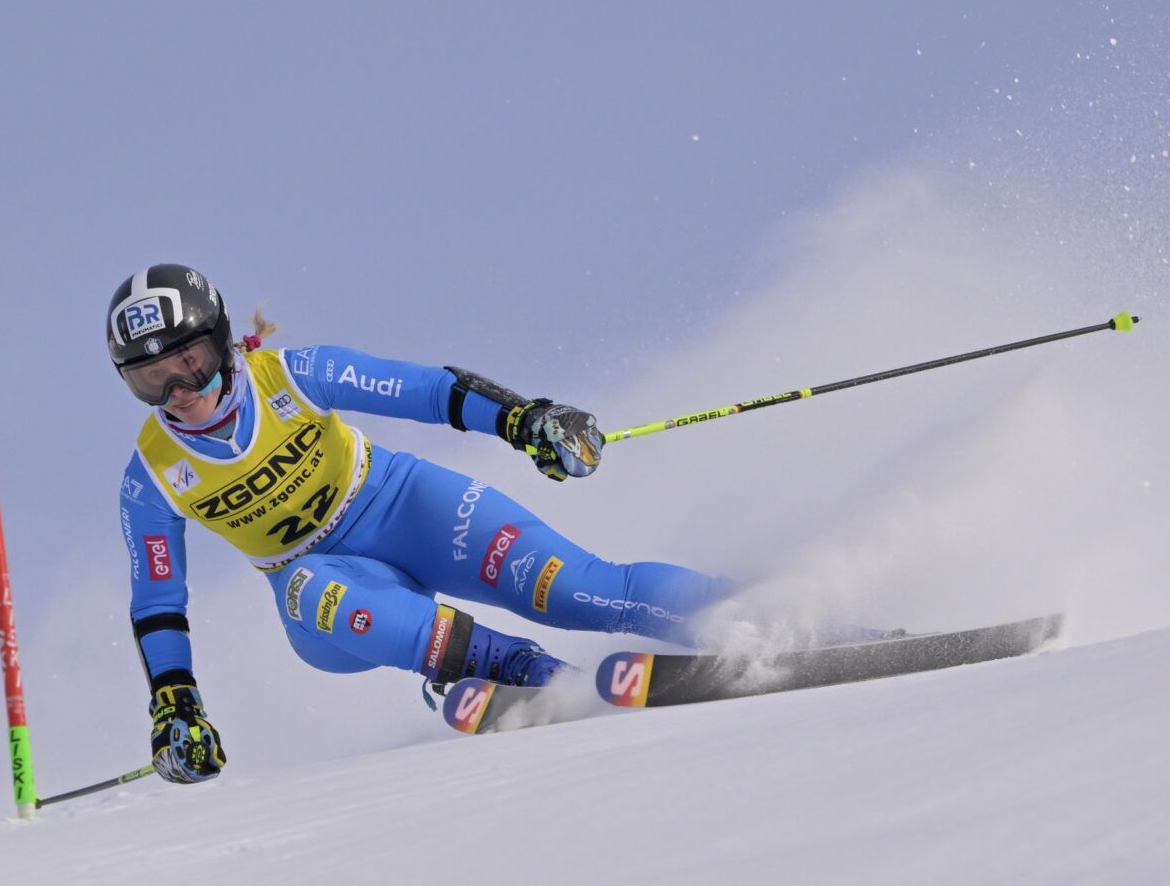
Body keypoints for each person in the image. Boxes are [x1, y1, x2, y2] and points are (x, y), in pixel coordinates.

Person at [110, 263, 731, 784]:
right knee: (313, 589)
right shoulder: (151, 478)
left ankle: (739, 615)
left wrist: (526, 421)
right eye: (150, 380)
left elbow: (430, 392)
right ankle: (522, 672)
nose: (177, 391)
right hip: (324, 588)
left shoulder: (296, 375)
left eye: (186, 362)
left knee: (574, 588)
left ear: (218, 343)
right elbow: (158, 602)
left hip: (405, 507)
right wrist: (176, 704)